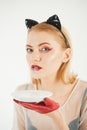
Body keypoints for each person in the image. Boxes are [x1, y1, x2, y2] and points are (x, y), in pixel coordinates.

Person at [12, 14, 87, 130]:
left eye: (45, 49)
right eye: (29, 49)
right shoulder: (22, 93)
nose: (34, 57)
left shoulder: (84, 94)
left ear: (66, 55)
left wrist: (56, 117)